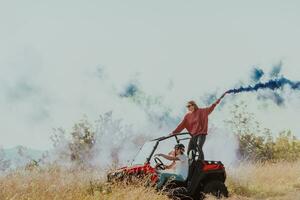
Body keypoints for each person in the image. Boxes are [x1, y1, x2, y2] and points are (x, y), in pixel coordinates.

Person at [171, 92, 227, 163]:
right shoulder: (187, 116)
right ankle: (191, 164)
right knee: (189, 151)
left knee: (199, 146)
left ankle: (201, 162)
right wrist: (173, 133)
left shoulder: (202, 111)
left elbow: (212, 107)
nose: (188, 108)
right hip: (193, 135)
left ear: (193, 105)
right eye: (187, 107)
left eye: (189, 106)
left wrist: (219, 99)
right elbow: (181, 125)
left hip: (201, 133)